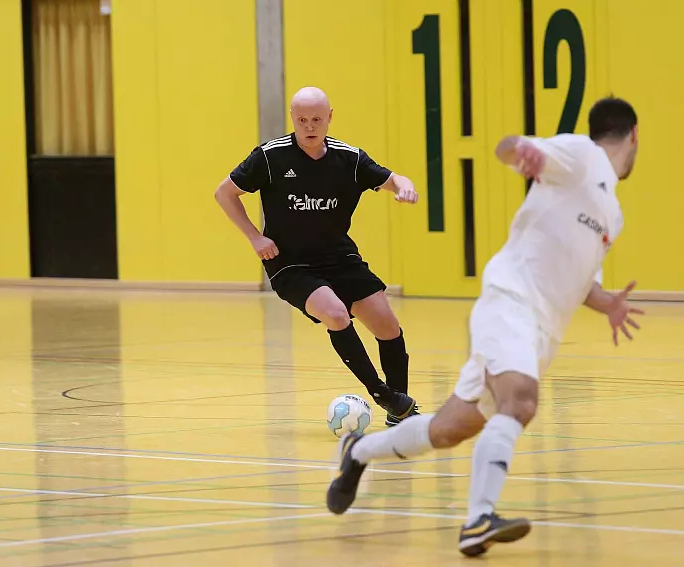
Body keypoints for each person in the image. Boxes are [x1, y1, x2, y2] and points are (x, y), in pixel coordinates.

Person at [325, 97, 644, 556]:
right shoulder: (581, 153)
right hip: (510, 302)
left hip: (541, 331)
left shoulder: (613, 212)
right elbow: (507, 146)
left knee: (447, 430)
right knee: (521, 401)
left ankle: (358, 452)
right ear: (633, 135)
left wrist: (608, 302)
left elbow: (583, 283)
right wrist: (522, 151)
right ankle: (478, 520)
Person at [214, 87, 420, 425]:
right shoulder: (270, 157)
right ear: (292, 118)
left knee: (387, 326)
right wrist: (255, 237)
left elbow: (394, 178)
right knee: (336, 314)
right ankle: (381, 393)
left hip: (339, 257)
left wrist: (404, 187)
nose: (309, 127)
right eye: (302, 120)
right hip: (289, 262)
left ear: (329, 118)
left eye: (316, 119)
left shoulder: (349, 158)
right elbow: (224, 193)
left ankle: (400, 414)